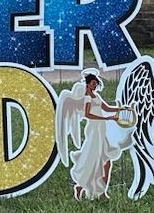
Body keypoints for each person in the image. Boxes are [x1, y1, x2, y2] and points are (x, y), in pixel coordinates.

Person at [56, 68, 133, 200]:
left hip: (101, 129)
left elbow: (106, 108)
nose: (95, 85)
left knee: (105, 161)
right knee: (92, 159)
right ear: (87, 83)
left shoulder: (96, 96)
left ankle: (101, 191)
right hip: (94, 129)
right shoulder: (86, 98)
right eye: (93, 83)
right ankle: (81, 186)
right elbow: (88, 114)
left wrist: (121, 108)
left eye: (96, 83)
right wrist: (107, 118)